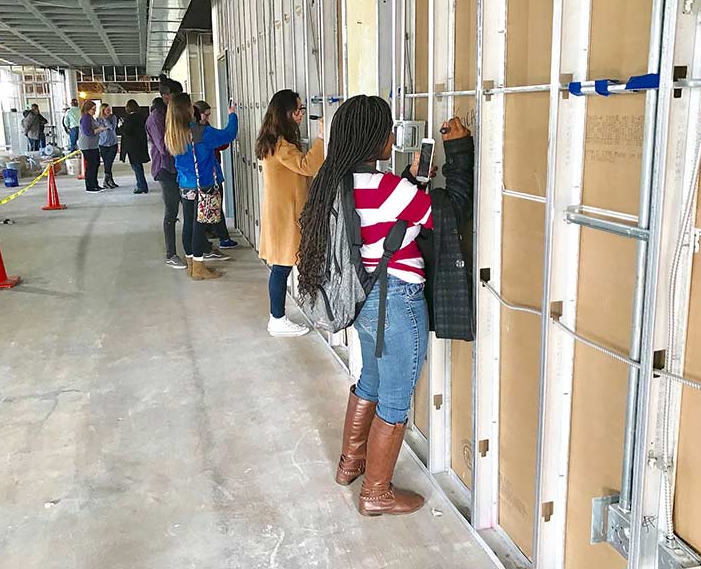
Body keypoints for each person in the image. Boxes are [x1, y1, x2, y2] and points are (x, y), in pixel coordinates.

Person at [296, 95, 475, 518]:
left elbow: (376, 224)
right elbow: (449, 212)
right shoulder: (386, 188)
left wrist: (410, 179)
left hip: (362, 300)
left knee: (370, 381)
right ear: (374, 138)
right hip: (398, 301)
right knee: (395, 398)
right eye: (388, 130)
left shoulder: (333, 182)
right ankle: (376, 492)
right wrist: (461, 153)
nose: (393, 136)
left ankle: (350, 464)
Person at [256, 89, 325, 338]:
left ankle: (281, 316)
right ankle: (277, 319)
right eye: (298, 110)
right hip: (284, 216)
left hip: (284, 212)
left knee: (284, 265)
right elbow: (306, 166)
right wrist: (321, 139)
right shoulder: (281, 145)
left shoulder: (276, 140)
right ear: (285, 113)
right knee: (282, 267)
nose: (300, 115)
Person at [146, 75, 230, 269]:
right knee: (172, 213)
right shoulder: (158, 118)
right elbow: (166, 148)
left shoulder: (178, 119)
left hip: (184, 174)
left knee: (192, 217)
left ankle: (200, 252)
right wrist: (193, 140)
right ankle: (172, 254)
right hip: (167, 171)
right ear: (168, 96)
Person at [165, 93, 239, 281]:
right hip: (202, 186)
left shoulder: (173, 133)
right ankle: (199, 268)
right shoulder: (199, 132)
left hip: (185, 185)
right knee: (199, 227)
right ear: (186, 109)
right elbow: (228, 135)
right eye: (190, 105)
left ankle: (191, 264)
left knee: (189, 224)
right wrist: (232, 114)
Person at [194, 100, 238, 250]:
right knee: (215, 207)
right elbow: (228, 134)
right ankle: (221, 240)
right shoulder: (205, 132)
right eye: (205, 115)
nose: (207, 118)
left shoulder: (189, 130)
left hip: (194, 179)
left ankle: (214, 239)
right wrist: (232, 115)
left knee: (202, 212)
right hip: (209, 178)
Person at [120, 100, 150, 194]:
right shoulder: (142, 117)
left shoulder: (129, 118)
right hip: (141, 144)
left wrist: (121, 126)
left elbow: (127, 131)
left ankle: (141, 186)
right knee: (138, 166)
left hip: (133, 146)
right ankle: (141, 184)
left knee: (136, 167)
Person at [78, 100, 108, 193]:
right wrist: (100, 129)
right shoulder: (85, 118)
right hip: (87, 146)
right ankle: (90, 186)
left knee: (95, 164)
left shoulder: (90, 118)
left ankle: (95, 184)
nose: (95, 111)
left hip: (93, 145)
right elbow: (88, 132)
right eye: (93, 109)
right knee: (91, 165)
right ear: (87, 109)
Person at [97, 103, 119, 189]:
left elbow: (112, 127)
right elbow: (99, 129)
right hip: (102, 144)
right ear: (102, 110)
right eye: (107, 110)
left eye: (109, 109)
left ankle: (106, 181)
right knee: (107, 163)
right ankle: (110, 181)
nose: (109, 111)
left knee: (109, 162)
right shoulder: (98, 119)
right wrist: (102, 121)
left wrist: (105, 119)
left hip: (113, 143)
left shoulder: (113, 117)